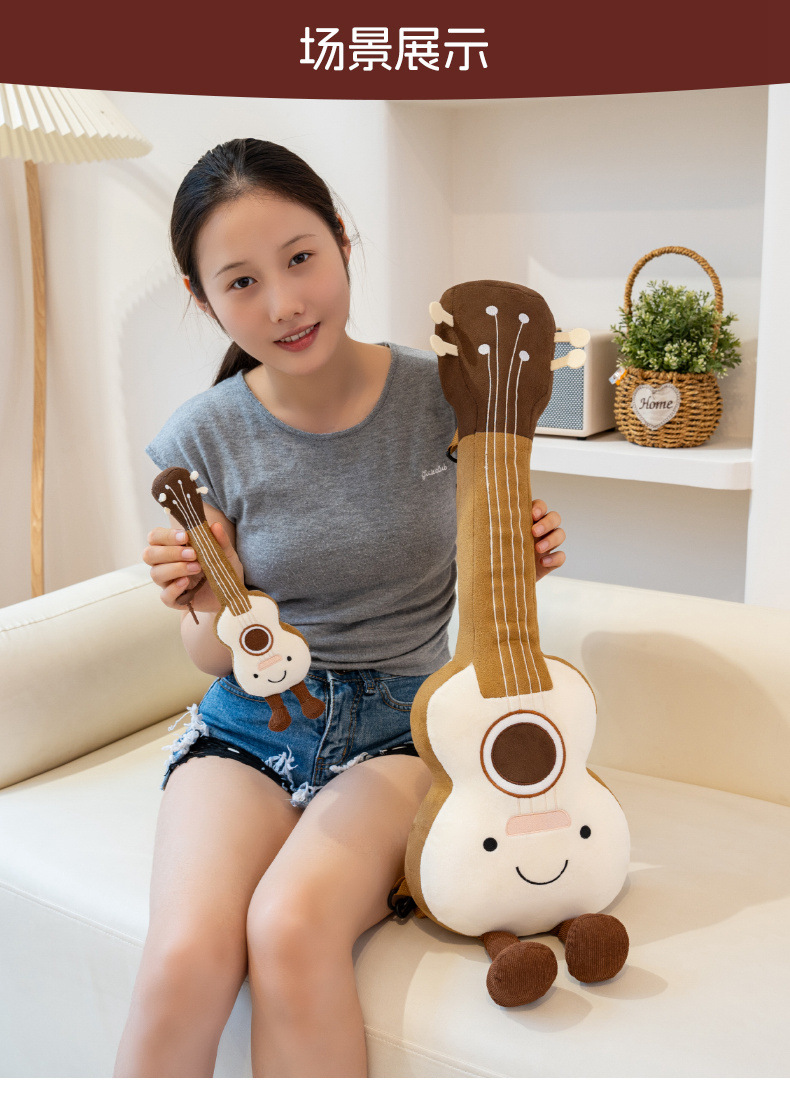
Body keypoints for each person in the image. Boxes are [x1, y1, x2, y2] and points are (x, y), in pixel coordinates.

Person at [113, 137, 567, 1079]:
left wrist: (521, 554)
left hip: (403, 729)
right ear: (203, 299)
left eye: (301, 258)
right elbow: (211, 655)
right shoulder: (200, 438)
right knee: (184, 955)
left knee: (290, 925)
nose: (283, 302)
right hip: (247, 727)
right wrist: (202, 596)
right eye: (241, 282)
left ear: (343, 243)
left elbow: (490, 569)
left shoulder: (445, 397)